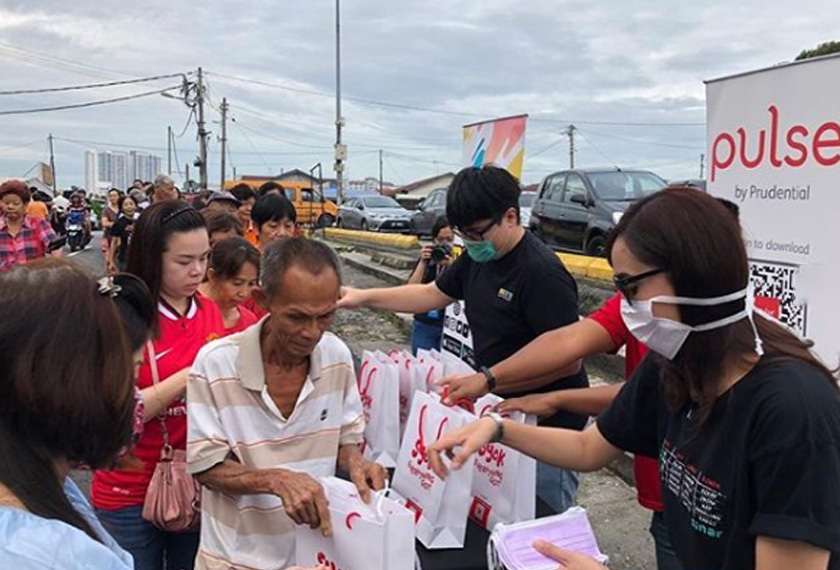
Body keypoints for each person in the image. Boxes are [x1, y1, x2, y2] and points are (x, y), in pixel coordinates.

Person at [429, 188, 840, 570]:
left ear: (694, 275)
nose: (625, 305)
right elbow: (589, 448)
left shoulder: (793, 412)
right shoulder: (675, 364)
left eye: (629, 287)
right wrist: (496, 429)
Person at [338, 165, 587, 514]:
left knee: (543, 518)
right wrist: (363, 297)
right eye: (463, 233)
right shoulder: (477, 258)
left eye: (476, 232)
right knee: (500, 517)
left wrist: (486, 380)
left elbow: (568, 361)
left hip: (549, 427)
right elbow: (432, 294)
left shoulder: (541, 273)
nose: (470, 241)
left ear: (510, 216)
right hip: (500, 416)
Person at [187, 237, 386, 570]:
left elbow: (345, 437)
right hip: (233, 560)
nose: (312, 333)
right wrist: (276, 480)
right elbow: (205, 465)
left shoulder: (336, 356)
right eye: (297, 318)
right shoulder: (215, 364)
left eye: (325, 316)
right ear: (263, 300)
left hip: (312, 555)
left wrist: (357, 463)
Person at [92, 200, 226, 570]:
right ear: (152, 257)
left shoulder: (209, 312)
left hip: (194, 482)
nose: (198, 271)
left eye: (204, 258)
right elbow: (114, 412)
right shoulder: (123, 316)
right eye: (184, 261)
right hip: (128, 491)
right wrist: (190, 376)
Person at [0, 260, 156, 569]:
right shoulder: (52, 555)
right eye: (130, 376)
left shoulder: (42, 485)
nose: (135, 398)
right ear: (75, 386)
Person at [407, 216, 454, 353]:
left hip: (450, 326)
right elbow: (410, 289)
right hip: (425, 321)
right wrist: (423, 262)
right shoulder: (429, 260)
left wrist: (452, 265)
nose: (445, 244)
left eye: (449, 240)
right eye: (440, 239)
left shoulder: (460, 262)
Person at [198, 236, 261, 335]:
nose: (243, 293)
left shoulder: (249, 322)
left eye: (251, 284)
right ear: (212, 276)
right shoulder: (187, 308)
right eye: (237, 283)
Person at [0, 180, 60, 273]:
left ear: (25, 205)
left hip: (33, 279)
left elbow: (55, 246)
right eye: (6, 203)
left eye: (16, 203)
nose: (10, 207)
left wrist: (56, 266)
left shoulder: (38, 224)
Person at [108, 194, 140, 274]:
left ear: (136, 206)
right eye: (126, 205)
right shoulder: (119, 223)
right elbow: (114, 242)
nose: (129, 207)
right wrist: (111, 261)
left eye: (131, 204)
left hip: (141, 256)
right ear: (121, 208)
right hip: (125, 257)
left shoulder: (142, 220)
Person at [102, 188, 122, 271]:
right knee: (109, 261)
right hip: (108, 237)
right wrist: (119, 225)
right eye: (111, 196)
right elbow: (104, 223)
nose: (113, 198)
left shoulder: (123, 209)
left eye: (115, 196)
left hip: (122, 239)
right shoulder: (106, 210)